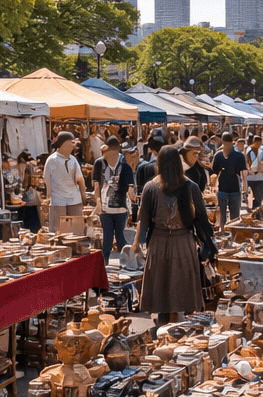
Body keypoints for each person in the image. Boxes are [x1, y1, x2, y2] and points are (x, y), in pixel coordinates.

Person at [137, 145, 209, 323]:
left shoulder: (150, 187)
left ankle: (164, 326)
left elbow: (143, 220)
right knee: (180, 286)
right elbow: (202, 219)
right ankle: (178, 326)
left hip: (159, 243)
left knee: (162, 286)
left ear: (159, 163)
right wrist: (206, 245)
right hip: (183, 242)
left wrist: (138, 243)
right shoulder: (190, 186)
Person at [93, 140, 134, 261]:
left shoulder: (124, 164)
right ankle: (105, 267)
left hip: (121, 207)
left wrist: (131, 199)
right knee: (107, 239)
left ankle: (128, 264)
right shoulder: (99, 163)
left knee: (120, 237)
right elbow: (96, 185)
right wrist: (98, 202)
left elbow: (130, 186)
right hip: (105, 207)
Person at [43, 131, 86, 232]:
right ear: (64, 144)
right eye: (71, 143)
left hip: (74, 200)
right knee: (59, 233)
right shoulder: (52, 160)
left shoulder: (73, 160)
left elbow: (80, 180)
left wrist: (83, 197)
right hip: (58, 201)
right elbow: (47, 181)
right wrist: (49, 197)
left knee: (76, 232)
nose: (73, 146)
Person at [211, 132, 248, 225]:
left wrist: (213, 187)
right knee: (234, 218)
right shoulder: (239, 155)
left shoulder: (218, 155)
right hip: (233, 189)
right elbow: (244, 172)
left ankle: (223, 232)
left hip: (223, 189)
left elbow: (214, 174)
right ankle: (231, 233)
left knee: (222, 216)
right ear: (233, 141)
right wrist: (245, 185)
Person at [15, 151, 42, 233]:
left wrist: (23, 190)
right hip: (32, 197)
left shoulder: (24, 166)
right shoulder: (30, 165)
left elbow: (25, 182)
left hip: (28, 197)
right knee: (33, 218)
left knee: (28, 218)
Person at [246, 134, 263, 210]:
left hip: (260, 177)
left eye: (260, 143)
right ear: (253, 142)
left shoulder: (262, 150)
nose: (259, 145)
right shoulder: (248, 150)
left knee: (259, 198)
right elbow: (247, 163)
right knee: (249, 197)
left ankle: (256, 212)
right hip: (250, 177)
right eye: (257, 143)